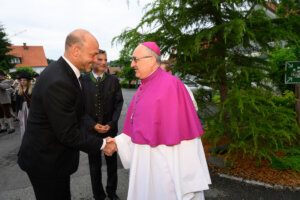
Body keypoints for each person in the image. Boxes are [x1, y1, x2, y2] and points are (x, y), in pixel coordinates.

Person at [17, 29, 115, 200]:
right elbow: (68, 134)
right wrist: (102, 144)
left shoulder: (66, 72)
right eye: (92, 55)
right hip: (45, 163)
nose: (95, 60)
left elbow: (75, 110)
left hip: (54, 160)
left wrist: (92, 125)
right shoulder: (60, 81)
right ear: (76, 50)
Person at [107, 42, 211, 200]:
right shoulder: (142, 87)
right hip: (145, 165)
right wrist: (116, 142)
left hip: (165, 168)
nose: (132, 64)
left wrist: (185, 177)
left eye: (135, 59)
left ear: (151, 60)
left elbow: (185, 136)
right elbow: (136, 128)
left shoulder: (172, 85)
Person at [81, 49, 123, 200]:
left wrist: (111, 124)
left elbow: (119, 104)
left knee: (112, 165)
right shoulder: (82, 81)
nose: (104, 62)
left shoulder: (113, 80)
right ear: (92, 61)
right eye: (99, 59)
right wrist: (92, 125)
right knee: (94, 166)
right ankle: (98, 195)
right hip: (91, 132)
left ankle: (112, 193)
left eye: (105, 59)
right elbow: (79, 108)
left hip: (110, 130)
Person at [15, 71, 33, 139]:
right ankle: (25, 138)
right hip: (22, 109)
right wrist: (17, 112)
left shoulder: (31, 90)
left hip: (30, 109)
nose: (22, 81)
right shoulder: (18, 91)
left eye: (24, 80)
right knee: (23, 125)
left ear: (28, 81)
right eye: (21, 80)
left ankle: (31, 138)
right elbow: (17, 102)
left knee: (30, 124)